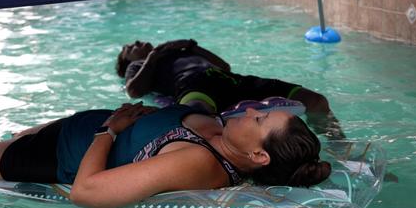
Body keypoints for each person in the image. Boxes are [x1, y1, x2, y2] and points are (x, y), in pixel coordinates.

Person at [0, 102, 331, 208]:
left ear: (257, 154)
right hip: (79, 128)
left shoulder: (197, 163)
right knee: (5, 142)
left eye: (260, 118)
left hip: (60, 153)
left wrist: (108, 132)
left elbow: (88, 193)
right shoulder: (222, 134)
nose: (252, 109)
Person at [116, 39, 344, 138]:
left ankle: (341, 147)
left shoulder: (178, 51)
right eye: (130, 47)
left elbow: (224, 66)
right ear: (127, 60)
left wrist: (191, 46)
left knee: (315, 100)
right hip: (193, 84)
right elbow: (133, 91)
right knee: (196, 119)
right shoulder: (139, 66)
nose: (138, 44)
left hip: (231, 79)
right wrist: (153, 56)